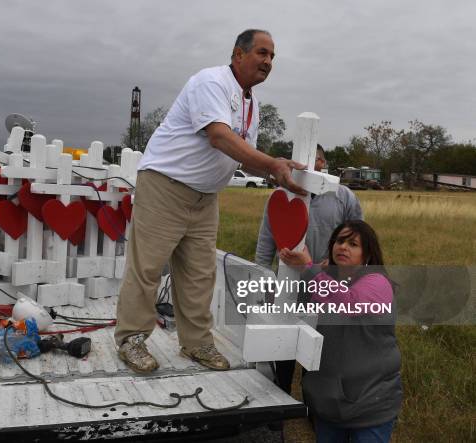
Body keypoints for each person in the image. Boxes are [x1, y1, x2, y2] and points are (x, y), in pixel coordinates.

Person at [114, 29, 306, 373]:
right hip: (165, 185)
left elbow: (241, 156)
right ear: (238, 54)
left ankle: (196, 343)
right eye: (262, 53)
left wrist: (274, 171)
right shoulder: (211, 82)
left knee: (200, 273)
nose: (268, 61)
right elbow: (219, 136)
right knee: (148, 268)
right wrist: (271, 163)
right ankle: (132, 340)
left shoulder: (251, 103)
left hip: (204, 197)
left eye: (272, 56)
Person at [279, 220, 402, 442]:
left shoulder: (377, 282)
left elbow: (349, 303)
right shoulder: (327, 280)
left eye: (353, 244)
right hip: (330, 402)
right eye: (340, 241)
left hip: (370, 402)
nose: (343, 247)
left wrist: (310, 268)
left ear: (367, 255)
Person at [255, 144, 363, 393]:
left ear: (322, 164)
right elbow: (265, 242)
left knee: (317, 347)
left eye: (311, 160)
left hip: (326, 286)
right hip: (287, 286)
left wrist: (340, 269)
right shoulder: (280, 196)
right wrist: (263, 280)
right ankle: (278, 402)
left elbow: (359, 238)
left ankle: (314, 404)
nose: (301, 166)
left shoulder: (342, 196)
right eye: (296, 161)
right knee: (283, 345)